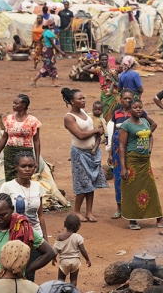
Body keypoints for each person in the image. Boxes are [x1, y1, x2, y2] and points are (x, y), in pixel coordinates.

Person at [119, 99, 163, 229]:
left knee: (151, 190)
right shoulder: (126, 126)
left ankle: (160, 220)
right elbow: (121, 147)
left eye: (140, 107)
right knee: (132, 190)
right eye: (135, 107)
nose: (138, 109)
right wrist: (123, 168)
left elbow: (150, 135)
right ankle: (132, 220)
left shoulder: (144, 122)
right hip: (132, 161)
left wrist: (149, 149)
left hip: (145, 162)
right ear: (130, 109)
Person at [0, 193, 55, 282]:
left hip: (11, 286)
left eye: (3, 215)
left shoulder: (22, 229)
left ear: (12, 209)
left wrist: (28, 270)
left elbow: (49, 253)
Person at [61, 88, 108, 223]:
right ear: (72, 101)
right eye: (80, 99)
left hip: (91, 153)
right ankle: (76, 211)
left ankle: (89, 211)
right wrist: (97, 130)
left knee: (91, 183)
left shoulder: (84, 113)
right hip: (79, 153)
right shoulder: (69, 117)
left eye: (83, 98)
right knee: (82, 182)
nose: (83, 100)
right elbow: (80, 135)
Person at [0, 152, 47, 281]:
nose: (27, 169)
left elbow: (40, 215)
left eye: (30, 166)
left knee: (29, 275)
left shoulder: (38, 187)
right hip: (14, 237)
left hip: (34, 237)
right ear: (16, 167)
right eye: (23, 166)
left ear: (35, 167)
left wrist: (45, 238)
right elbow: (1, 213)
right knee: (11, 273)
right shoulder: (7, 187)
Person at [109, 89, 157, 219]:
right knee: (119, 178)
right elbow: (114, 133)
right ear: (121, 99)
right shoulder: (117, 113)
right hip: (119, 149)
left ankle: (132, 207)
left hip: (133, 148)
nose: (128, 101)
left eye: (130, 98)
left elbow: (152, 125)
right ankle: (119, 207)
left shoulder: (140, 113)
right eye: (125, 98)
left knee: (135, 179)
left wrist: (143, 138)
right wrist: (110, 152)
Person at [0, 94, 41, 182]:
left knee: (25, 177)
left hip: (26, 153)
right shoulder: (8, 119)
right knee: (10, 179)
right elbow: (4, 138)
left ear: (24, 105)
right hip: (10, 152)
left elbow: (36, 141)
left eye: (16, 103)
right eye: (13, 103)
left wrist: (37, 161)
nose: (13, 105)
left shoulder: (33, 121)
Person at [52, 214, 90, 287]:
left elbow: (55, 249)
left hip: (64, 262)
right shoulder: (78, 237)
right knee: (73, 280)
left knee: (61, 279)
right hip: (75, 262)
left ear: (65, 224)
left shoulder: (60, 237)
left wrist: (53, 258)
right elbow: (82, 250)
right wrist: (87, 259)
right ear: (78, 226)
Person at [81, 53, 119, 122]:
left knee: (116, 111)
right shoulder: (98, 70)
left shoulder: (114, 68)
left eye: (105, 60)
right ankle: (107, 126)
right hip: (105, 95)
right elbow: (84, 68)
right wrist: (95, 64)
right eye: (102, 60)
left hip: (115, 93)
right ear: (100, 60)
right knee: (106, 112)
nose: (104, 61)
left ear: (108, 60)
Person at [30, 22, 64, 88]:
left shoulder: (45, 31)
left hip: (47, 49)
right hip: (49, 50)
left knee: (52, 66)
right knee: (47, 66)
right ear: (50, 26)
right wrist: (61, 51)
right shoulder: (48, 32)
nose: (54, 26)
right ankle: (34, 79)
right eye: (53, 24)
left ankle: (53, 83)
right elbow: (53, 44)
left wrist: (44, 46)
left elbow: (39, 40)